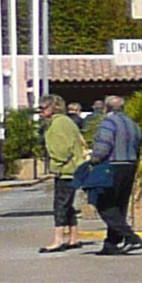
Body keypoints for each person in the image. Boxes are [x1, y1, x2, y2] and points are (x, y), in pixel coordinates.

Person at [83, 93, 142, 255]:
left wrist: (93, 160)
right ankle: (111, 244)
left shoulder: (109, 122)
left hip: (112, 166)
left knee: (104, 204)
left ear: (106, 108)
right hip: (130, 165)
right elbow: (139, 145)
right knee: (119, 205)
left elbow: (103, 145)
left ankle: (130, 236)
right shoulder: (132, 124)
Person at [39, 95, 90, 252]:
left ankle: (58, 239)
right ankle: (74, 238)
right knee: (68, 205)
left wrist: (56, 166)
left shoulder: (58, 124)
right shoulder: (67, 122)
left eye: (43, 108)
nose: (40, 112)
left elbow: (62, 149)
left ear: (52, 108)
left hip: (66, 170)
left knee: (60, 205)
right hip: (74, 169)